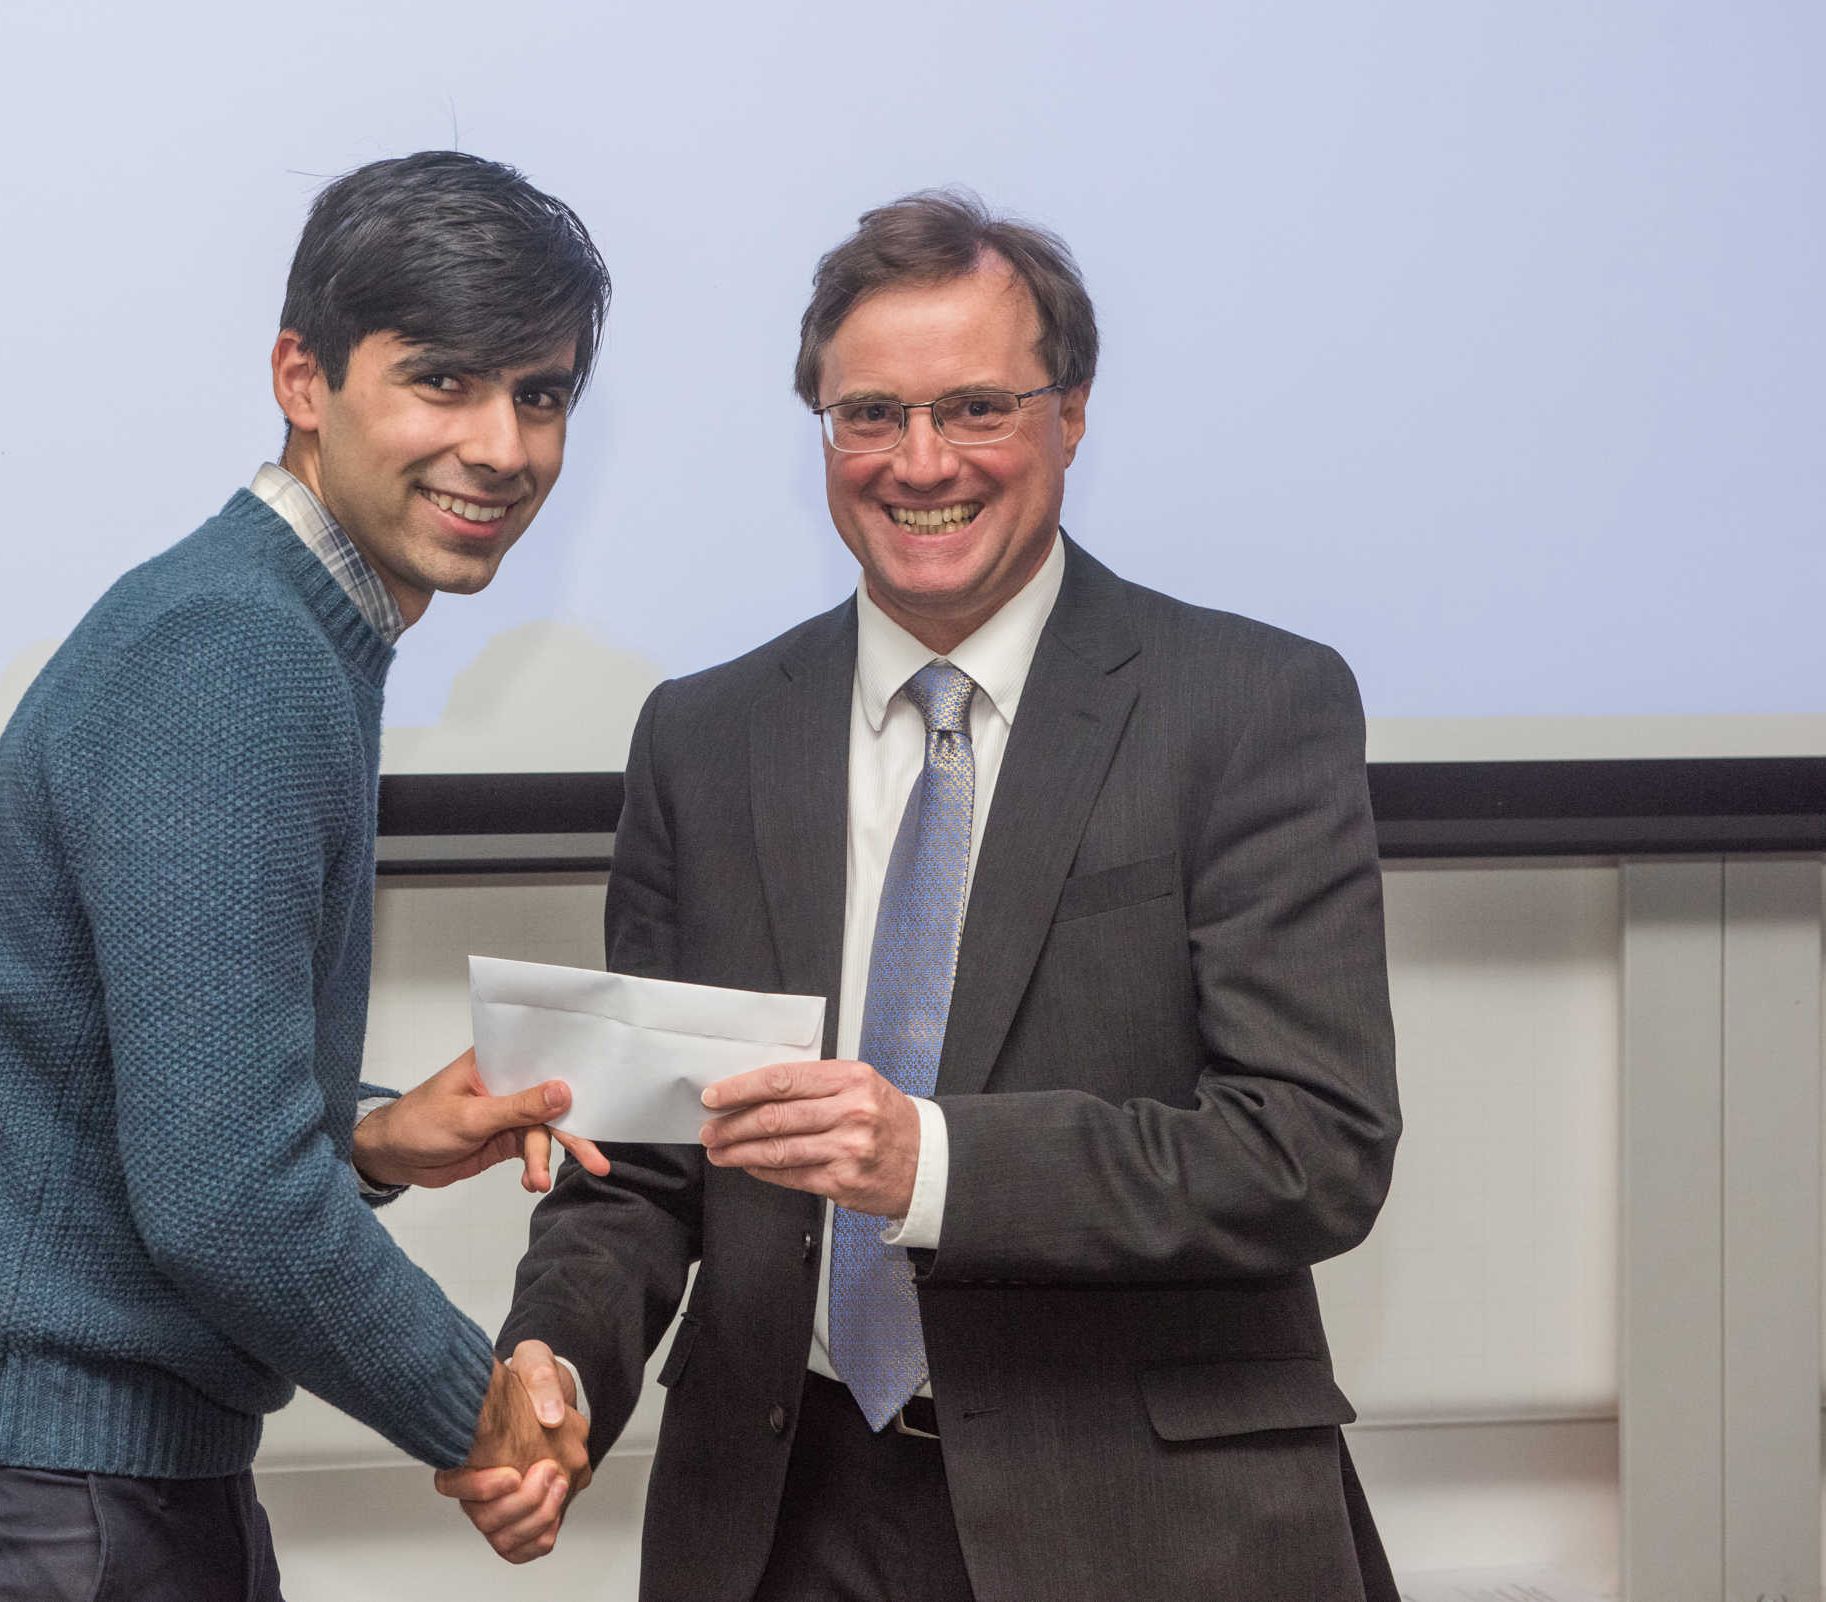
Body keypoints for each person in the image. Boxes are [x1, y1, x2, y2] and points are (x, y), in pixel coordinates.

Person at [441, 190, 1403, 1599]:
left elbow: (1311, 1146)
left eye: (976, 407)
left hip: (1143, 1526)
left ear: (1071, 416)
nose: (919, 461)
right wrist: (559, 1357)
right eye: (869, 415)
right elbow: (641, 1164)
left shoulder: (1251, 706)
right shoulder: (703, 740)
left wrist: (933, 1164)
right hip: (781, 1518)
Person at [0, 151, 610, 1601]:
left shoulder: (283, 626)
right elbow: (224, 1198)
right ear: (305, 378)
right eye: (444, 382)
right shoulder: (239, 654)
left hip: (49, 1493)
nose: (501, 445)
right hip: (21, 1508)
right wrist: (473, 1406)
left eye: (539, 395)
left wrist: (357, 1142)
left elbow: (153, 1102)